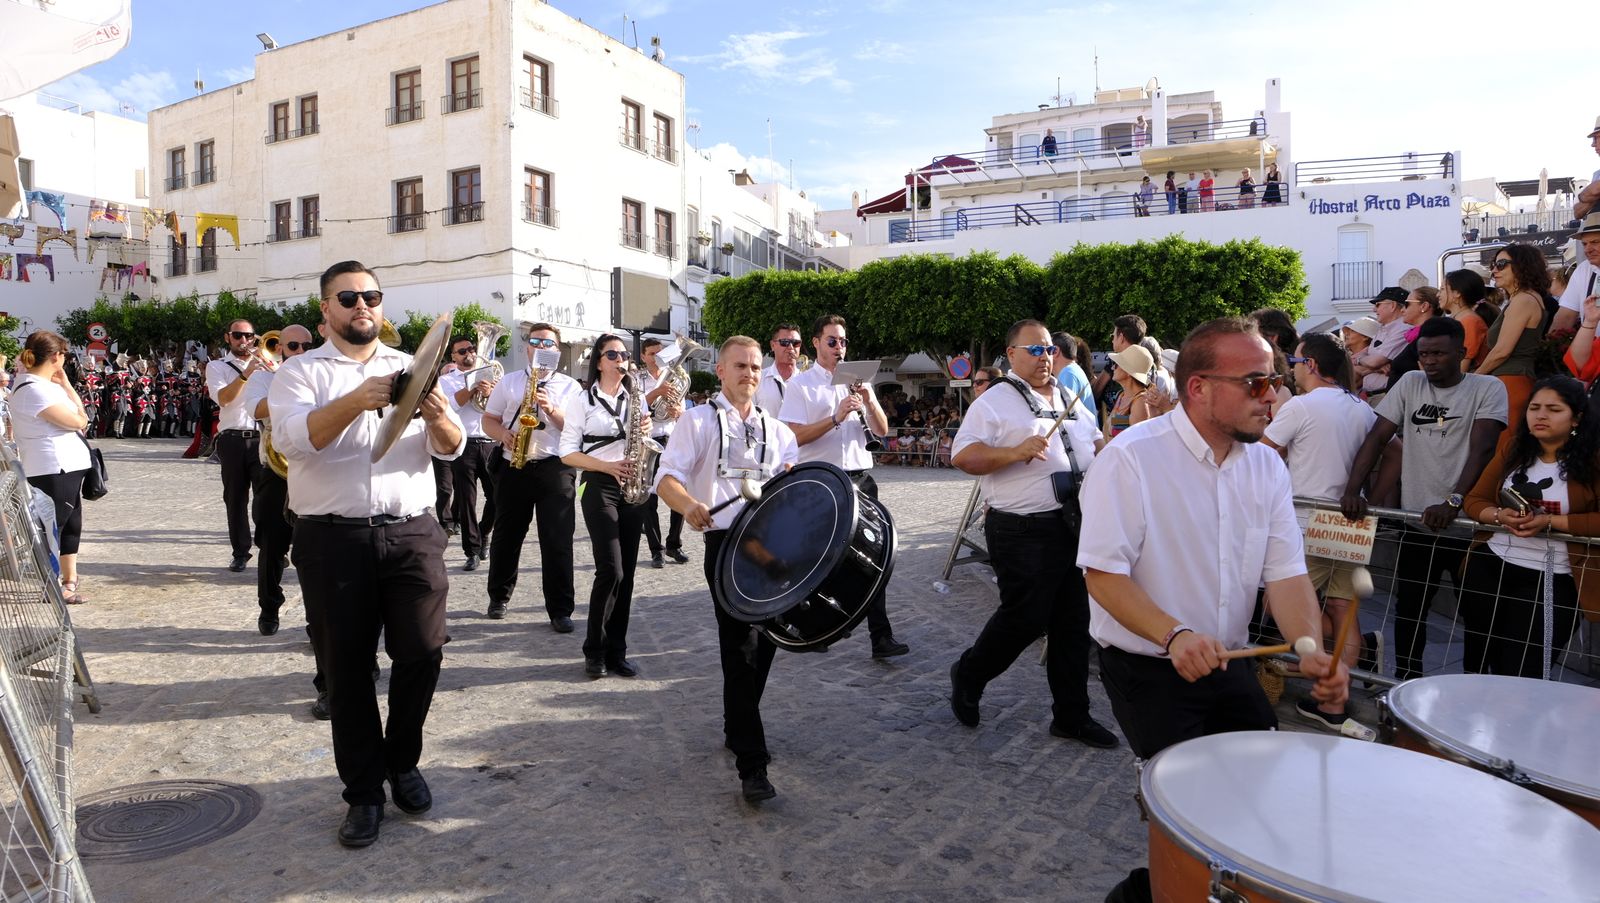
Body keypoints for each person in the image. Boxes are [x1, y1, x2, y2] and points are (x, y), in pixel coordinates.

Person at [1080, 318, 1348, 903]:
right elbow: (1102, 574)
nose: (1273, 394)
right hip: (1148, 664)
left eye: (1274, 379)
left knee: (1254, 790)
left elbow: (1287, 574)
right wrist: (1174, 635)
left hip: (1230, 660)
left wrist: (1310, 649)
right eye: (1256, 382)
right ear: (1199, 388)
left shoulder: (1267, 466)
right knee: (1191, 814)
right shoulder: (1130, 459)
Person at [268, 260, 465, 848]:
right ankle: (363, 794)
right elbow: (292, 442)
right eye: (348, 297)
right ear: (325, 309)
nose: (362, 306)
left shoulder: (414, 367)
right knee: (347, 671)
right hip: (333, 539)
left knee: (424, 653)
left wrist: (436, 414)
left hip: (411, 532)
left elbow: (451, 448)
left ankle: (401, 760)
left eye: (371, 296)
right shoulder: (299, 374)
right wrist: (356, 400)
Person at [949, 320, 1118, 748]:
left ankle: (1071, 715)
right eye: (1035, 350)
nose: (1046, 358)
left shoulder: (1069, 395)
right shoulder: (994, 402)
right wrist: (1013, 452)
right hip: (1022, 530)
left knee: (1073, 624)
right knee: (1025, 619)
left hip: (1073, 524)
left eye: (1049, 350)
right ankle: (969, 672)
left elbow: (1094, 443)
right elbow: (963, 455)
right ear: (1011, 354)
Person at [655, 335, 798, 802]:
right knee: (740, 652)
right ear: (719, 371)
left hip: (771, 549)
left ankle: (738, 725)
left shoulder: (779, 432)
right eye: (740, 366)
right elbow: (667, 479)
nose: (749, 375)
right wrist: (690, 504)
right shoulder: (697, 422)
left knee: (768, 644)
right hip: (726, 545)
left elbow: (791, 490)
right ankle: (751, 765)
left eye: (756, 368)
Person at [1341, 316, 1507, 680]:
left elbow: (1483, 448)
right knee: (1409, 611)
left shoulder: (1488, 388)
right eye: (1424, 354)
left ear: (1462, 353)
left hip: (1468, 531)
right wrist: (1354, 491)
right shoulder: (1411, 382)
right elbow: (1377, 437)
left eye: (1439, 354)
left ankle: (1475, 689)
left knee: (1478, 616)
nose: (1429, 361)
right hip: (1418, 526)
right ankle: (1406, 684)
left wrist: (1453, 501)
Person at [1262, 333, 1379, 738]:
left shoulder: (1301, 406)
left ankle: (1291, 675)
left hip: (1305, 521)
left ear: (1310, 364)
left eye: (1294, 363)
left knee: (1288, 607)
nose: (1292, 370)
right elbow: (1392, 450)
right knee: (1344, 615)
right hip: (1351, 521)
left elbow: (1262, 453)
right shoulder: (1360, 407)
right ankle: (1333, 699)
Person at [778, 314, 909, 658]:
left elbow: (881, 431)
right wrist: (835, 417)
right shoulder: (801, 385)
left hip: (862, 479)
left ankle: (881, 636)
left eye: (843, 341)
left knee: (875, 558)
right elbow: (792, 436)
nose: (839, 347)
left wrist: (867, 401)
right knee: (816, 560)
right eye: (832, 341)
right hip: (823, 481)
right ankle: (812, 627)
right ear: (816, 343)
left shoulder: (857, 381)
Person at [1462, 377, 1597, 677]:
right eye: (1534, 407)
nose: (1540, 415)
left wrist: (1550, 522)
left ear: (1577, 417)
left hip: (1554, 579)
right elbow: (1474, 500)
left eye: (1553, 409)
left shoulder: (1593, 461)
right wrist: (1500, 516)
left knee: (1525, 672)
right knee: (1478, 659)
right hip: (1491, 567)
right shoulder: (1514, 448)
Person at [560, 334, 659, 678]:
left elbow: (643, 439)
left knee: (627, 575)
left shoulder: (636, 398)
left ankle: (618, 651)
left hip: (632, 483)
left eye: (624, 355)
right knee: (611, 569)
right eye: (613, 354)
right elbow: (567, 452)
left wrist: (649, 425)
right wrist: (606, 467)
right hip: (598, 483)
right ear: (599, 361)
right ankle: (594, 651)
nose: (621, 360)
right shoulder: (581, 401)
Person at [480, 323, 582, 626]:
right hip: (515, 464)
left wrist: (551, 410)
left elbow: (576, 430)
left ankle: (561, 610)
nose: (541, 347)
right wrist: (503, 435)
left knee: (557, 539)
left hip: (555, 467)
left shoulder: (570, 387)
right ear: (527, 348)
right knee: (507, 536)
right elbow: (489, 419)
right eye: (536, 341)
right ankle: (498, 596)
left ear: (558, 351)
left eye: (548, 343)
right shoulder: (510, 382)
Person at [10, 331, 91, 604]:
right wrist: (79, 416)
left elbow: (82, 418)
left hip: (69, 465)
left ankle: (69, 579)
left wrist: (67, 386)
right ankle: (51, 583)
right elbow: (77, 421)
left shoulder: (48, 386)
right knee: (52, 527)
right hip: (52, 466)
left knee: (71, 525)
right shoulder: (32, 389)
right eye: (64, 355)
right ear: (56, 356)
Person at [243, 323, 312, 635]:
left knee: (314, 552)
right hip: (275, 472)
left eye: (306, 347)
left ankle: (317, 621)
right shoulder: (264, 377)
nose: (300, 352)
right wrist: (287, 387)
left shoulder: (319, 378)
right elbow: (256, 409)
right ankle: (269, 608)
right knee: (271, 546)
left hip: (312, 472)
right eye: (293, 346)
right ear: (281, 348)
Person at [207, 318, 267, 572]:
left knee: (266, 500)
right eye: (238, 335)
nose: (244, 341)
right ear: (228, 337)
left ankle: (270, 548)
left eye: (249, 336)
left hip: (262, 437)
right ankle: (241, 552)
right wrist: (246, 373)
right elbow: (224, 398)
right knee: (235, 499)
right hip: (232, 439)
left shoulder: (267, 364)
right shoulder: (217, 367)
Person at [437, 334, 498, 571]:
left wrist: (492, 393)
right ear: (453, 356)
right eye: (462, 351)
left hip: (492, 442)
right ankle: (471, 551)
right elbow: (451, 406)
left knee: (497, 497)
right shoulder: (447, 381)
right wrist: (471, 388)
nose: (468, 354)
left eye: (471, 349)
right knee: (466, 500)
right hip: (464, 444)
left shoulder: (492, 374)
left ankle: (484, 533)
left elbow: (502, 407)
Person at [1476, 243, 1549, 435]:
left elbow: (1502, 350)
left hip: (1512, 383)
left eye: (1501, 264)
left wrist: (1474, 378)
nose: (1494, 270)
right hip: (1509, 381)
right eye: (1493, 264)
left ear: (1522, 265)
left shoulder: (1524, 300)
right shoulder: (1522, 299)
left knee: (1499, 455)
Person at [637, 337, 688, 568]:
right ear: (643, 357)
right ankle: (656, 549)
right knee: (650, 499)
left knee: (680, 493)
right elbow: (634, 407)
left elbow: (683, 411)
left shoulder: (676, 377)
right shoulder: (637, 379)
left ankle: (674, 544)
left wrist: (678, 411)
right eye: (652, 354)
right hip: (649, 441)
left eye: (660, 353)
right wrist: (656, 392)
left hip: (673, 439)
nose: (657, 358)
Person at [1351, 287, 1411, 403]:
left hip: (1385, 396)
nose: (1374, 309)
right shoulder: (1384, 328)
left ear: (1393, 305)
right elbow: (1355, 359)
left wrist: (1362, 361)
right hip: (1372, 396)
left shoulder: (1403, 329)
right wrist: (1373, 366)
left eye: (1378, 305)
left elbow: (1374, 362)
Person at [1382, 286, 1444, 391]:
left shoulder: (1428, 337)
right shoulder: (1419, 336)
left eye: (1407, 304)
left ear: (1424, 306)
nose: (1402, 310)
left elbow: (1428, 377)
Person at [1555, 213, 1600, 347]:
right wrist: (1549, 349)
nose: (1588, 249)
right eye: (1584, 244)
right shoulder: (1583, 269)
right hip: (1591, 357)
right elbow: (1565, 316)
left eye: (1595, 242)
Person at [1441, 269, 1491, 371]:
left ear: (1457, 293)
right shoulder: (1460, 319)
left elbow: (1461, 368)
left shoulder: (1469, 321)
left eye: (1442, 289)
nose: (1438, 295)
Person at [1105, 344, 1155, 439]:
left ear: (1128, 371)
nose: (1112, 368)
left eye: (1116, 365)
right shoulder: (1122, 396)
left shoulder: (1140, 402)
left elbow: (1139, 443)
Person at [755, 323, 803, 418]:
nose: (791, 347)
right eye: (784, 342)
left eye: (796, 343)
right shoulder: (758, 379)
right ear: (772, 345)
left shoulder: (807, 380)